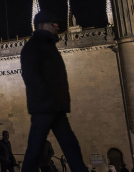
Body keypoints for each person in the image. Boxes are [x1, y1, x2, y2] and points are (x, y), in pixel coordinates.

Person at [18, 10, 87, 172]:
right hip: (44, 108)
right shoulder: (34, 47)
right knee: (35, 151)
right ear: (43, 26)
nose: (57, 28)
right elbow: (30, 76)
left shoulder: (48, 46)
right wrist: (45, 98)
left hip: (56, 107)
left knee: (71, 148)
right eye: (54, 24)